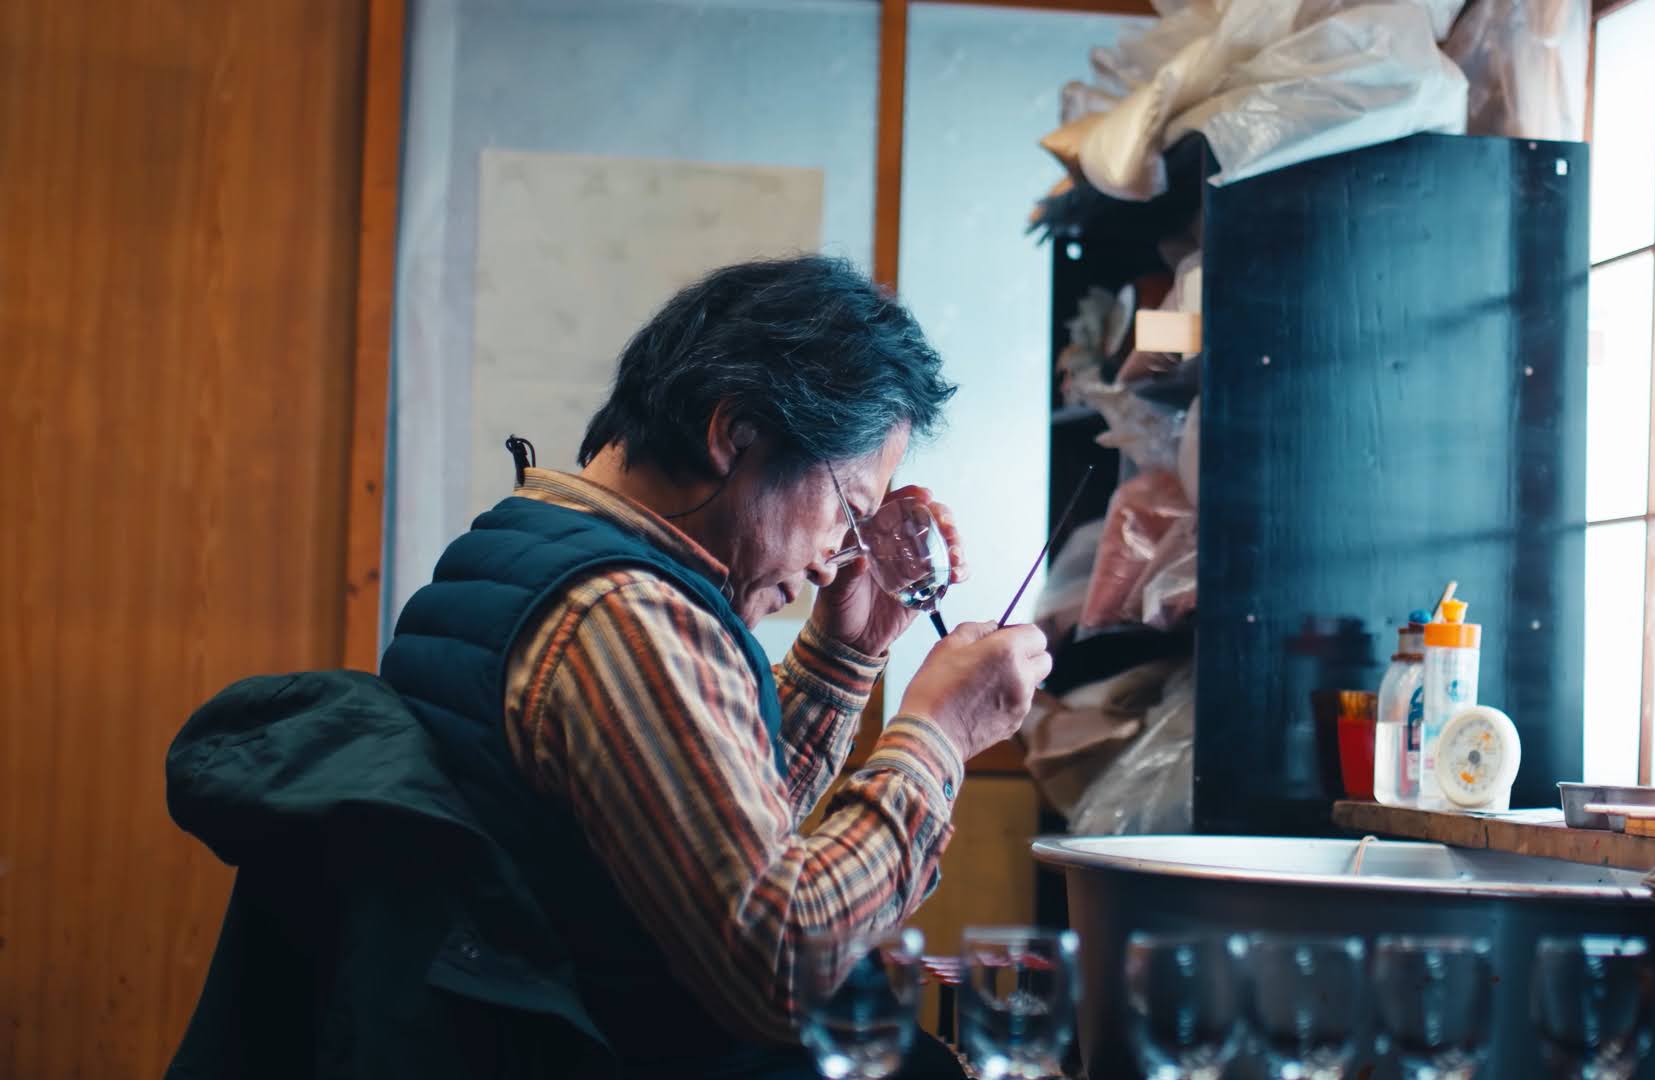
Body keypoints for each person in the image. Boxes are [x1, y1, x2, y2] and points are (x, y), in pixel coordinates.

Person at [164, 256, 1051, 1079]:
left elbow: (705, 834)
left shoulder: (530, 541)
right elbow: (782, 966)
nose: (834, 559)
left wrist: (848, 651)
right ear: (734, 435)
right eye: (846, 511)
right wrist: (937, 736)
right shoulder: (626, 614)